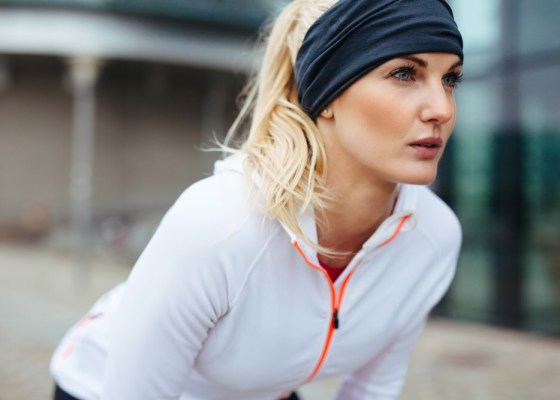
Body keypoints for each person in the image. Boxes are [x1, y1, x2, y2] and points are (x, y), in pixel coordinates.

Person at [50, 0, 464, 399]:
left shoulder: (434, 237)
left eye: (450, 79)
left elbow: (372, 391)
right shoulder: (219, 223)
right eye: (405, 73)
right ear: (328, 94)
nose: (442, 109)